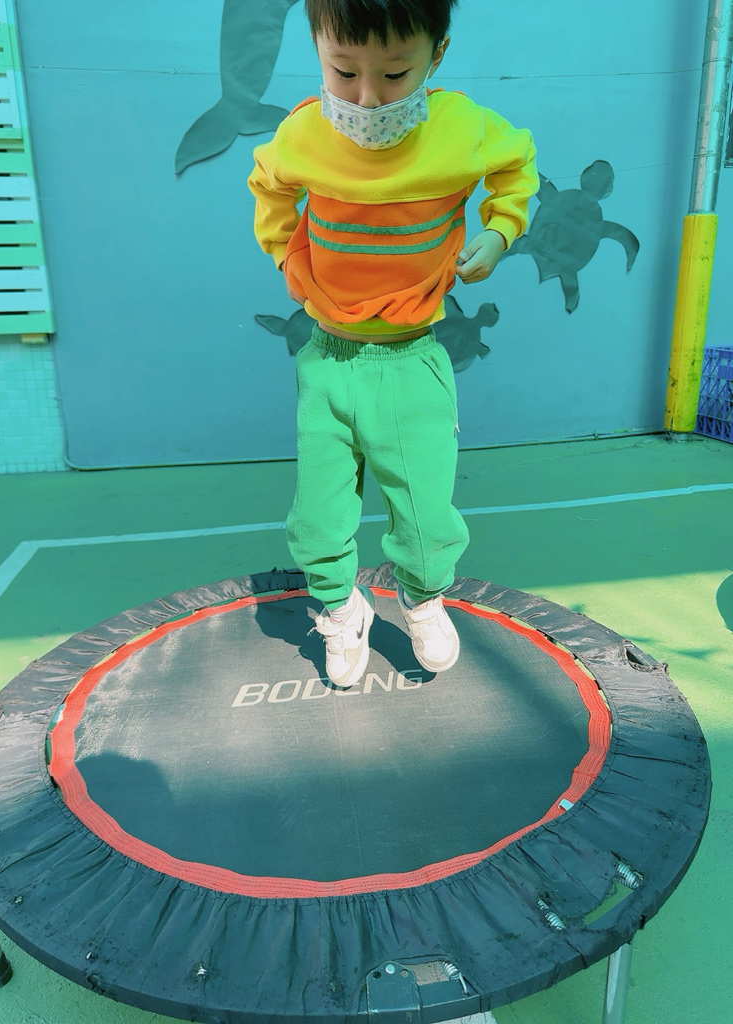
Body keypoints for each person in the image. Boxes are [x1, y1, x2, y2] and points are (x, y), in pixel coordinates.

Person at [248, 0, 538, 688]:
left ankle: (422, 597)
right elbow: (269, 185)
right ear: (318, 50)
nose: (367, 97)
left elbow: (516, 167)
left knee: (425, 514)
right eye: (343, 71)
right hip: (328, 360)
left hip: (410, 361)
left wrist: (499, 230)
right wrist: (286, 255)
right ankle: (338, 608)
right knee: (317, 517)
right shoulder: (304, 133)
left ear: (436, 54)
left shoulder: (462, 129)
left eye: (395, 73)